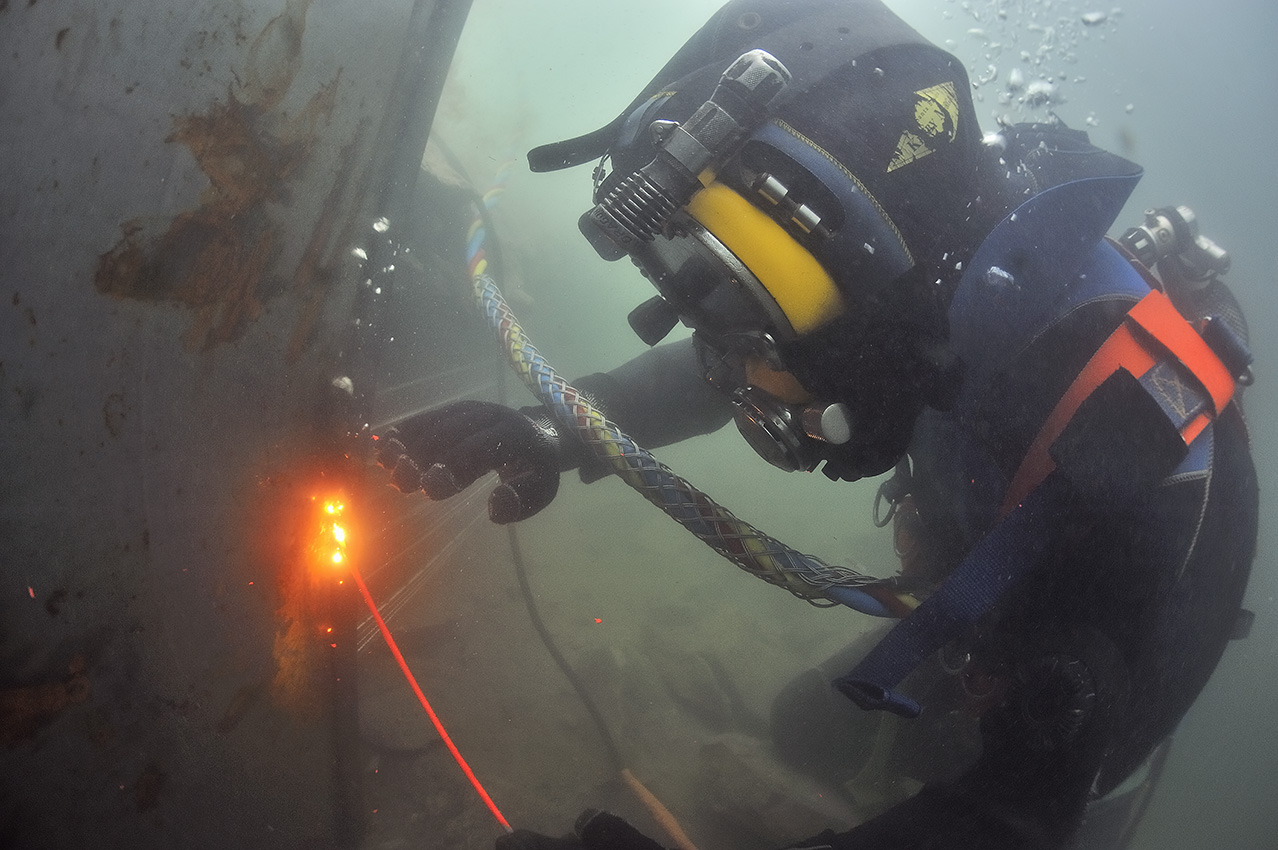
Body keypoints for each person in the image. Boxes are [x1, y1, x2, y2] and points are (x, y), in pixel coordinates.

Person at [378, 1, 1258, 847]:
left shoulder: (1131, 443)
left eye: (759, 341)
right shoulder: (935, 303)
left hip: (1083, 691)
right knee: (803, 729)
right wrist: (559, 428)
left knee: (992, 782)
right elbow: (735, 363)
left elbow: (1017, 815)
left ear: (878, 319)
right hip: (978, 595)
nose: (746, 384)